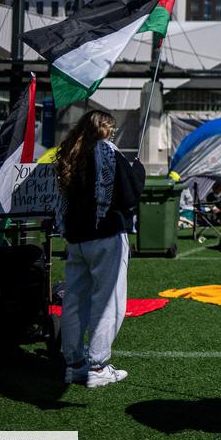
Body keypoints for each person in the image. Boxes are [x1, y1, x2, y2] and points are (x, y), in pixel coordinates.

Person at [55, 111, 145, 388]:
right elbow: (129, 196)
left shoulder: (68, 153)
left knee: (74, 301)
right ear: (105, 129)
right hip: (106, 235)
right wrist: (137, 170)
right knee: (108, 302)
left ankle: (74, 363)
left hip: (76, 237)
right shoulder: (108, 151)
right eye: (112, 128)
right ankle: (97, 366)